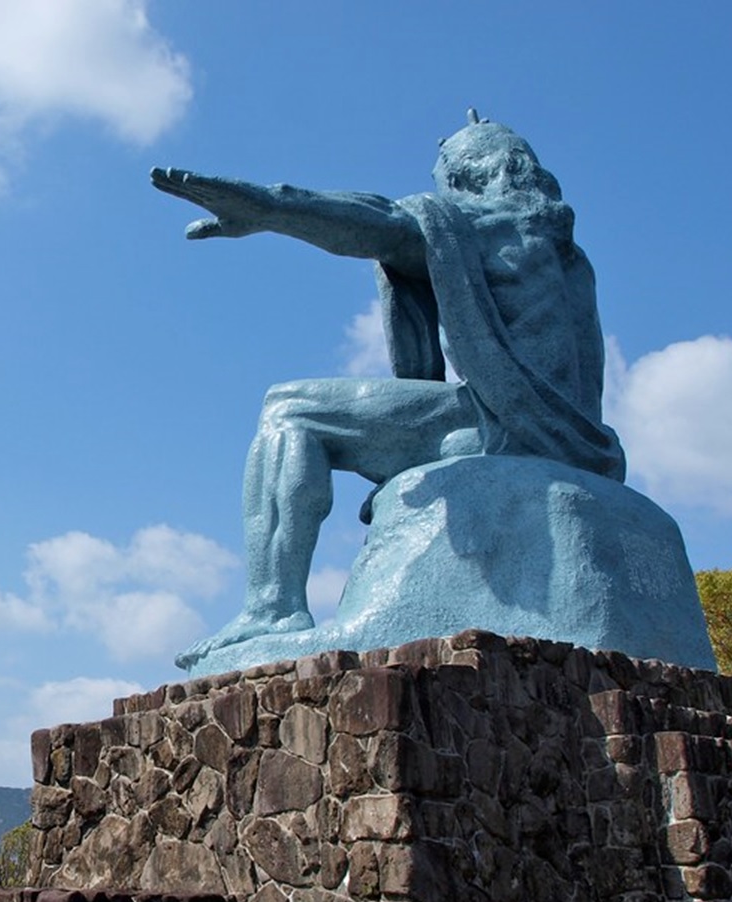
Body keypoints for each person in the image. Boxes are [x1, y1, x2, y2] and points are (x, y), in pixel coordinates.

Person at [152, 112, 625, 670]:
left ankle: (272, 609)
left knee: (290, 409)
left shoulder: (477, 221)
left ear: (465, 181)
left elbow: (387, 222)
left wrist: (275, 208)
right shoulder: (568, 254)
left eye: (442, 180)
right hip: (575, 444)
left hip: (505, 427)